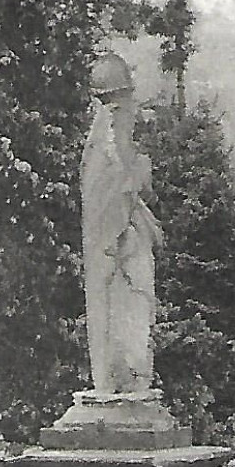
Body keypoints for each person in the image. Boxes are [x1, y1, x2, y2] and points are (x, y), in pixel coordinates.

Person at [82, 53, 163, 394]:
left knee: (138, 312)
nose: (131, 112)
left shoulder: (121, 152)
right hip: (112, 262)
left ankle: (134, 379)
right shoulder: (102, 153)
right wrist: (137, 177)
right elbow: (107, 213)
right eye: (124, 102)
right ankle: (120, 381)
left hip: (128, 260)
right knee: (119, 316)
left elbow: (133, 204)